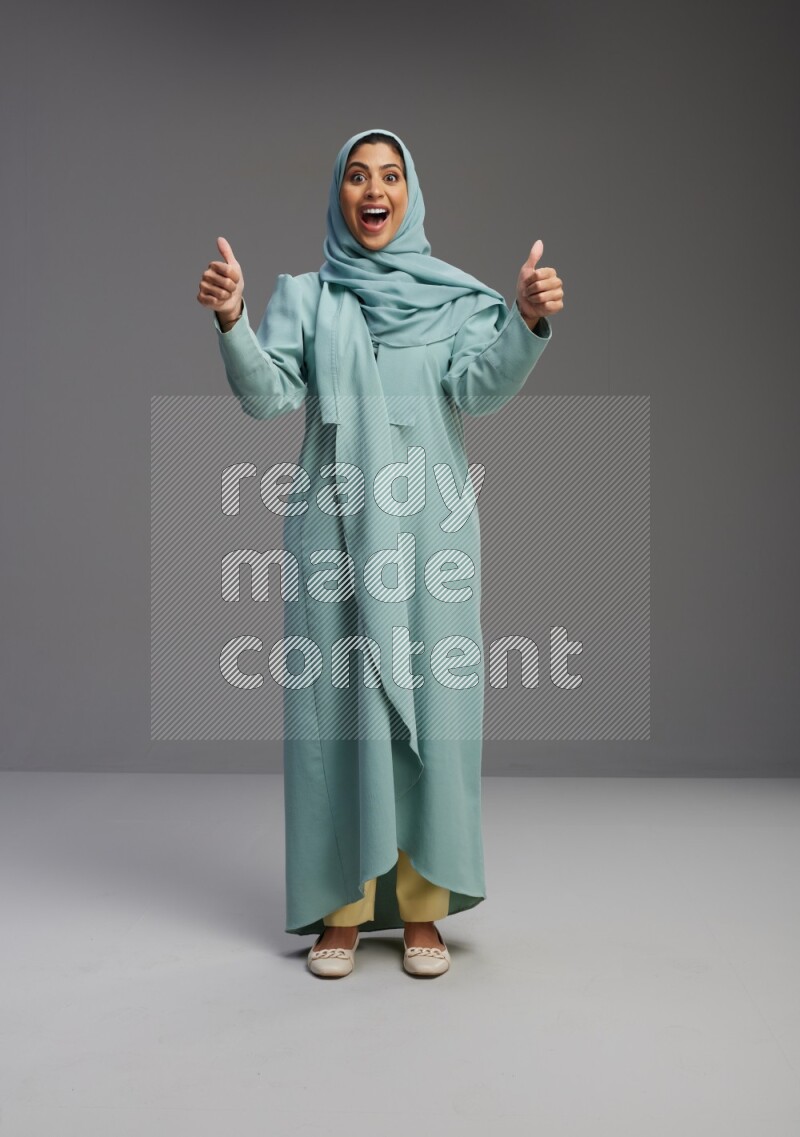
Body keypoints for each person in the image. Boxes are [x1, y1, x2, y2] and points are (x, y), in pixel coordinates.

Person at [197, 127, 564, 979]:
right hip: (332, 531)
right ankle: (344, 908)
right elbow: (267, 397)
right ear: (339, 194)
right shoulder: (305, 298)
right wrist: (231, 321)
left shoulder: (459, 301)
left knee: (432, 715)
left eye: (390, 175)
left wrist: (528, 321)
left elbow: (482, 388)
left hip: (430, 531)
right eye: (358, 175)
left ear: (411, 193)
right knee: (337, 721)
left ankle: (423, 906)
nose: (374, 188)